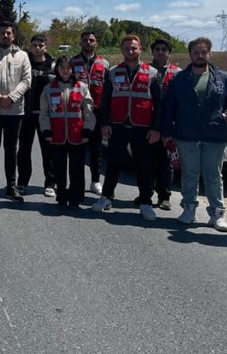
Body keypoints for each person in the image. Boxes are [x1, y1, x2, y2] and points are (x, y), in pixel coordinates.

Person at [161, 37, 227, 231]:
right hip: (186, 135)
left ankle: (217, 214)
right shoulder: (178, 79)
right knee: (189, 174)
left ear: (209, 54)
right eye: (196, 52)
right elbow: (169, 107)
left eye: (203, 52)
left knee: (213, 176)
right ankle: (189, 209)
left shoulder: (224, 78)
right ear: (190, 54)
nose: (200, 56)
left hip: (215, 135)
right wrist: (167, 133)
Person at [92, 35, 162, 221]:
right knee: (113, 163)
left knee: (144, 165)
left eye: (134, 48)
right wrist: (105, 123)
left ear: (141, 49)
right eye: (126, 48)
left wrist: (156, 128)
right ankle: (106, 197)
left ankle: (145, 202)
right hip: (118, 125)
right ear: (122, 50)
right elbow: (105, 100)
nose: (130, 52)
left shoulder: (152, 73)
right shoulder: (113, 72)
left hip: (143, 127)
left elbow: (159, 103)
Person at [0, 21, 32, 202]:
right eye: (2, 33)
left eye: (8, 33)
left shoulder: (23, 56)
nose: (5, 36)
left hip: (14, 111)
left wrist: (11, 97)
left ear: (13, 36)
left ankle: (11, 187)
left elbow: (26, 80)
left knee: (11, 151)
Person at [39, 56, 95, 209]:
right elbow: (44, 114)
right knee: (59, 168)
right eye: (62, 67)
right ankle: (62, 196)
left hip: (77, 136)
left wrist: (87, 131)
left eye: (68, 68)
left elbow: (88, 112)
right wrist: (46, 131)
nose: (65, 71)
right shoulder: (49, 89)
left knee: (76, 169)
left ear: (72, 70)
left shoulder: (82, 87)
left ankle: (76, 198)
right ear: (57, 69)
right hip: (57, 136)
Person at [71, 31, 109, 196]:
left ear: (96, 43)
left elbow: (108, 89)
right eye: (85, 40)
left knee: (96, 148)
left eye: (91, 40)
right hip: (76, 110)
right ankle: (76, 182)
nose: (88, 42)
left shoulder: (105, 64)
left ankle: (95, 181)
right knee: (77, 148)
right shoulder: (72, 62)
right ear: (80, 42)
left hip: (97, 111)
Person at [18, 34, 55, 197]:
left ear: (46, 47)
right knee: (24, 150)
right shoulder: (24, 63)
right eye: (34, 45)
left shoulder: (53, 65)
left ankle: (50, 183)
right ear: (30, 46)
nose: (37, 48)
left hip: (46, 115)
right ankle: (22, 182)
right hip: (26, 113)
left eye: (41, 45)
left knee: (48, 151)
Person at [149, 38, 180, 210]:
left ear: (169, 52)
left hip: (169, 122)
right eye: (157, 49)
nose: (160, 52)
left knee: (166, 162)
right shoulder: (145, 70)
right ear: (152, 52)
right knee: (147, 161)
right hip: (148, 121)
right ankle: (145, 194)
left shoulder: (178, 73)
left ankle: (164, 196)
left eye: (164, 49)